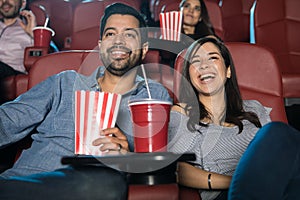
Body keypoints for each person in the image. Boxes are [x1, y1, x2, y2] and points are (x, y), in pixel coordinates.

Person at [0, 3, 171, 199]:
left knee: (105, 183)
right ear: (100, 46)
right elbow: (8, 121)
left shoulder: (153, 96)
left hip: (93, 186)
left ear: (143, 49)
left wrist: (128, 158)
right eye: (110, 34)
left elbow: (159, 162)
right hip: (24, 181)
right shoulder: (64, 82)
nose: (118, 41)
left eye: (129, 35)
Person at [167, 36, 271, 200]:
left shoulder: (254, 109)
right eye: (195, 61)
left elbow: (275, 153)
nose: (204, 65)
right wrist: (237, 182)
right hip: (227, 193)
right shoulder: (183, 114)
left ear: (228, 71)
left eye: (213, 58)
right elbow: (179, 170)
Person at [0, 0, 36, 78]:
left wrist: (34, 35)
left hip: (14, 74)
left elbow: (50, 56)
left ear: (23, 3)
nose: (4, 1)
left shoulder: (29, 28)